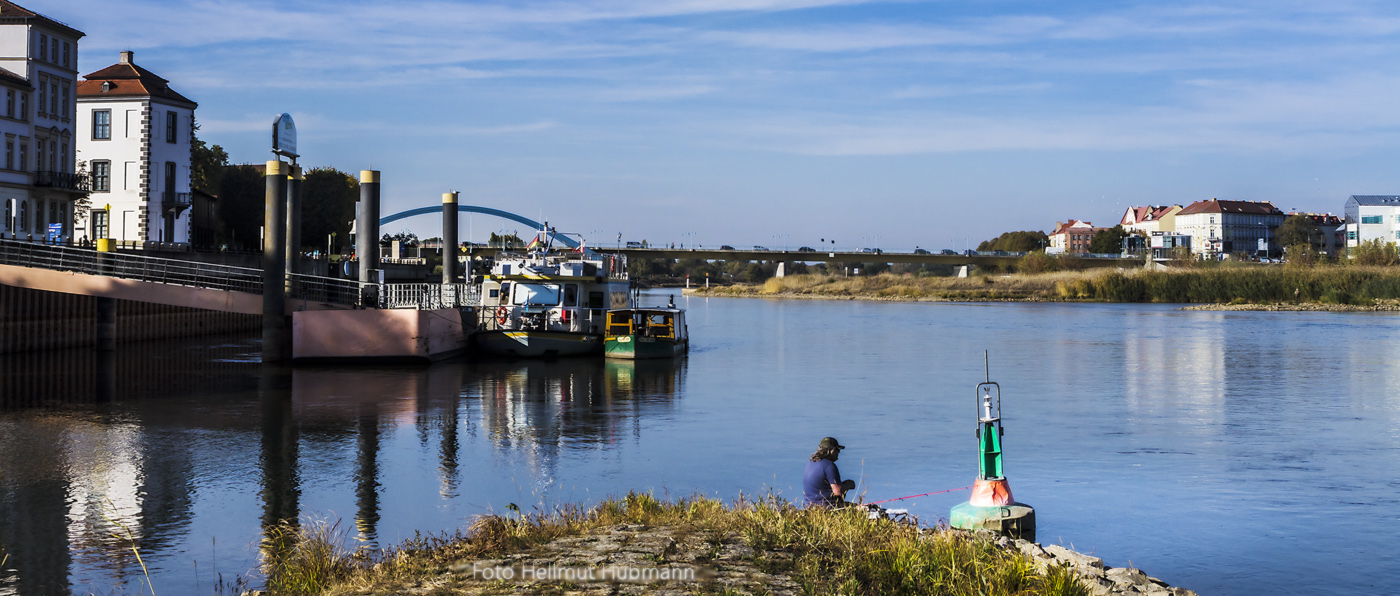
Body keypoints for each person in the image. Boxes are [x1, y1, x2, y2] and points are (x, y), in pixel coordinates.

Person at [803, 437, 856, 508]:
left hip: (810, 507)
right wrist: (849, 484)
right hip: (828, 508)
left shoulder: (811, 463)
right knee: (864, 509)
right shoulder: (829, 466)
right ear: (831, 451)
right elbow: (838, 492)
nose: (839, 452)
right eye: (837, 449)